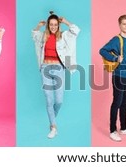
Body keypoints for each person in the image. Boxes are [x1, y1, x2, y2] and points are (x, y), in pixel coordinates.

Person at [32, 11, 80, 139]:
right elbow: (34, 35)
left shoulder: (63, 36)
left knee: (59, 101)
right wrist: (38, 26)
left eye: (55, 24)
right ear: (48, 25)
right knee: (49, 100)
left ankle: (52, 120)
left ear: (58, 26)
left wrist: (66, 22)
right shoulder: (43, 36)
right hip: (45, 69)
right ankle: (53, 126)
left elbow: (75, 31)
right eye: (51, 25)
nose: (53, 27)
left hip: (59, 69)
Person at [100, 14, 126, 142]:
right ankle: (112, 131)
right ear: (119, 25)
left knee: (125, 103)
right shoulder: (116, 40)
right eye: (124, 24)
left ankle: (124, 128)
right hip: (118, 75)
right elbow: (102, 50)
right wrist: (115, 58)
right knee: (117, 102)